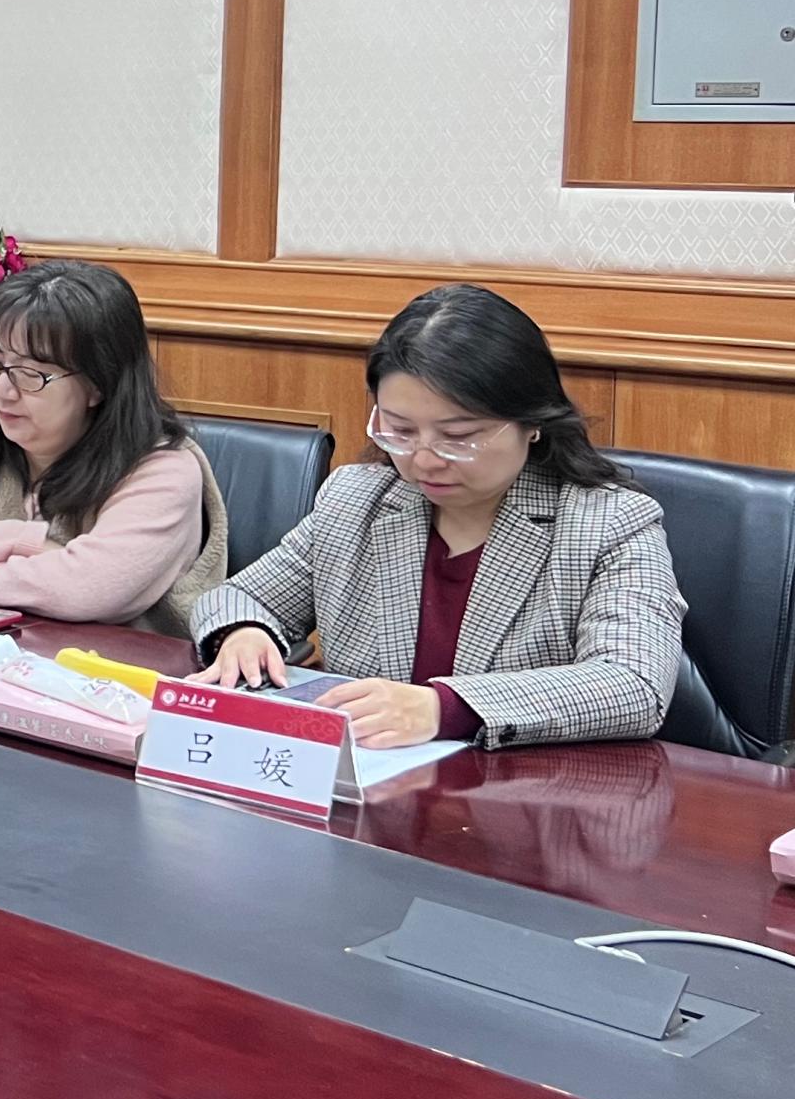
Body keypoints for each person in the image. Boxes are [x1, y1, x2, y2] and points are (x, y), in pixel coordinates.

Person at [192, 284, 685, 750]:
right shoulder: (357, 500)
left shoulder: (609, 523)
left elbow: (635, 683)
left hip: (523, 794)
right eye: (401, 431)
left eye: (458, 437)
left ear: (533, 421)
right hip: (370, 784)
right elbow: (239, 596)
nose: (424, 460)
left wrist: (444, 708)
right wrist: (244, 632)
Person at [0, 261, 228, 633]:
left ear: (99, 383)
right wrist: (23, 540)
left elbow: (87, 589)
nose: (2, 391)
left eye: (31, 374)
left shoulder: (162, 469)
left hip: (112, 669)